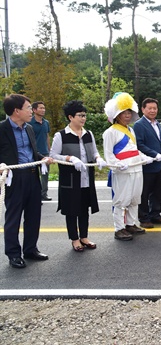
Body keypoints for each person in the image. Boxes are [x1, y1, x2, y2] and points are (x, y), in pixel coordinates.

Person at [0, 94, 53, 268]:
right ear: (16, 111)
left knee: (33, 215)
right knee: (13, 217)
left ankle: (30, 249)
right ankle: (13, 254)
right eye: (28, 108)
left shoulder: (29, 128)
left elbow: (32, 154)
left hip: (32, 175)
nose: (32, 111)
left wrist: (43, 158)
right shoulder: (2, 129)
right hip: (13, 178)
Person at [50, 101, 105, 252]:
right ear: (70, 117)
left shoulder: (89, 134)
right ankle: (74, 239)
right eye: (80, 115)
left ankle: (84, 236)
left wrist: (98, 158)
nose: (83, 118)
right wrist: (70, 158)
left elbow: (94, 152)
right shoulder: (61, 135)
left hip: (86, 178)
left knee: (84, 209)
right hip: (70, 180)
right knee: (71, 210)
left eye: (84, 115)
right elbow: (53, 155)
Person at [103, 92, 150, 241]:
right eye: (124, 112)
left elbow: (134, 149)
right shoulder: (110, 132)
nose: (127, 115)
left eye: (129, 112)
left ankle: (131, 224)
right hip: (123, 171)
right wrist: (117, 165)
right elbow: (109, 155)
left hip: (137, 169)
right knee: (121, 200)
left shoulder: (131, 130)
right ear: (117, 114)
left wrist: (144, 157)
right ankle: (119, 228)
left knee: (135, 198)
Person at [134, 98, 161, 228]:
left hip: (160, 165)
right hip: (148, 165)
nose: (152, 110)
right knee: (144, 193)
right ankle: (144, 218)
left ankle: (155, 214)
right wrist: (153, 154)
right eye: (149, 108)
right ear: (143, 109)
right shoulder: (139, 125)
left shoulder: (157, 124)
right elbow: (139, 144)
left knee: (158, 191)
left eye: (154, 108)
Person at [31, 101, 52, 201]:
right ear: (34, 110)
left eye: (44, 108)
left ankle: (44, 193)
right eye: (40, 108)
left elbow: (47, 136)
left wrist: (49, 150)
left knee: (45, 175)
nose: (43, 110)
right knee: (34, 175)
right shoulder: (29, 123)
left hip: (45, 152)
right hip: (34, 153)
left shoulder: (46, 123)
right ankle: (35, 195)